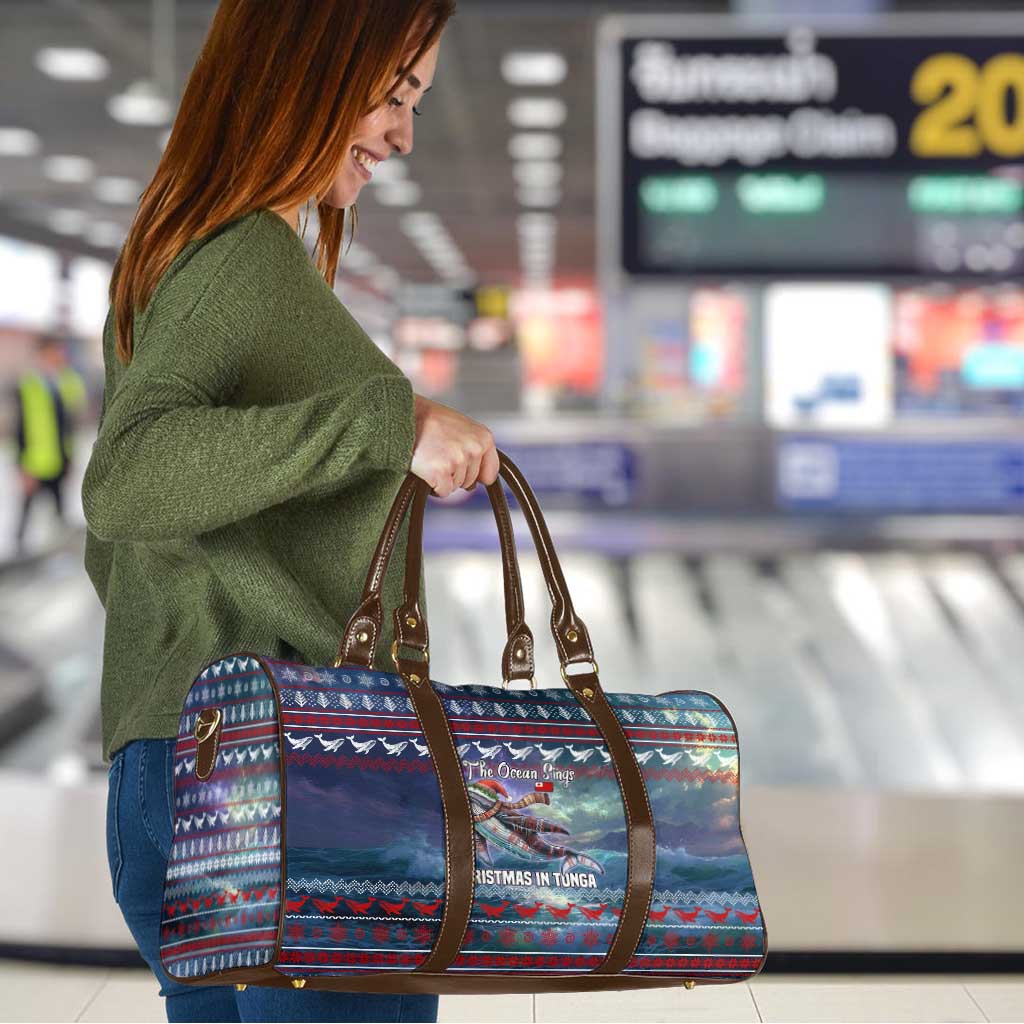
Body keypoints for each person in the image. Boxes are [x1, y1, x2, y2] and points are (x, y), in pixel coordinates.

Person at [80, 2, 496, 1021]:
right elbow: (126, 477)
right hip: (293, 778)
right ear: (307, 65)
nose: (402, 132)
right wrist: (383, 424)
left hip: (187, 763)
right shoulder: (239, 260)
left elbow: (125, 546)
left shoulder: (188, 252)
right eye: (395, 94)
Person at [11, 331, 85, 556]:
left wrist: (70, 458)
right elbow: (20, 428)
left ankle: (59, 554)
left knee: (60, 511)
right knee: (26, 512)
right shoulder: (28, 385)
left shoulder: (65, 381)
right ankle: (18, 554)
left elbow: (71, 419)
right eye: (54, 351)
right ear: (43, 353)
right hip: (35, 462)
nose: (59, 355)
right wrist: (22, 466)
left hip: (60, 459)